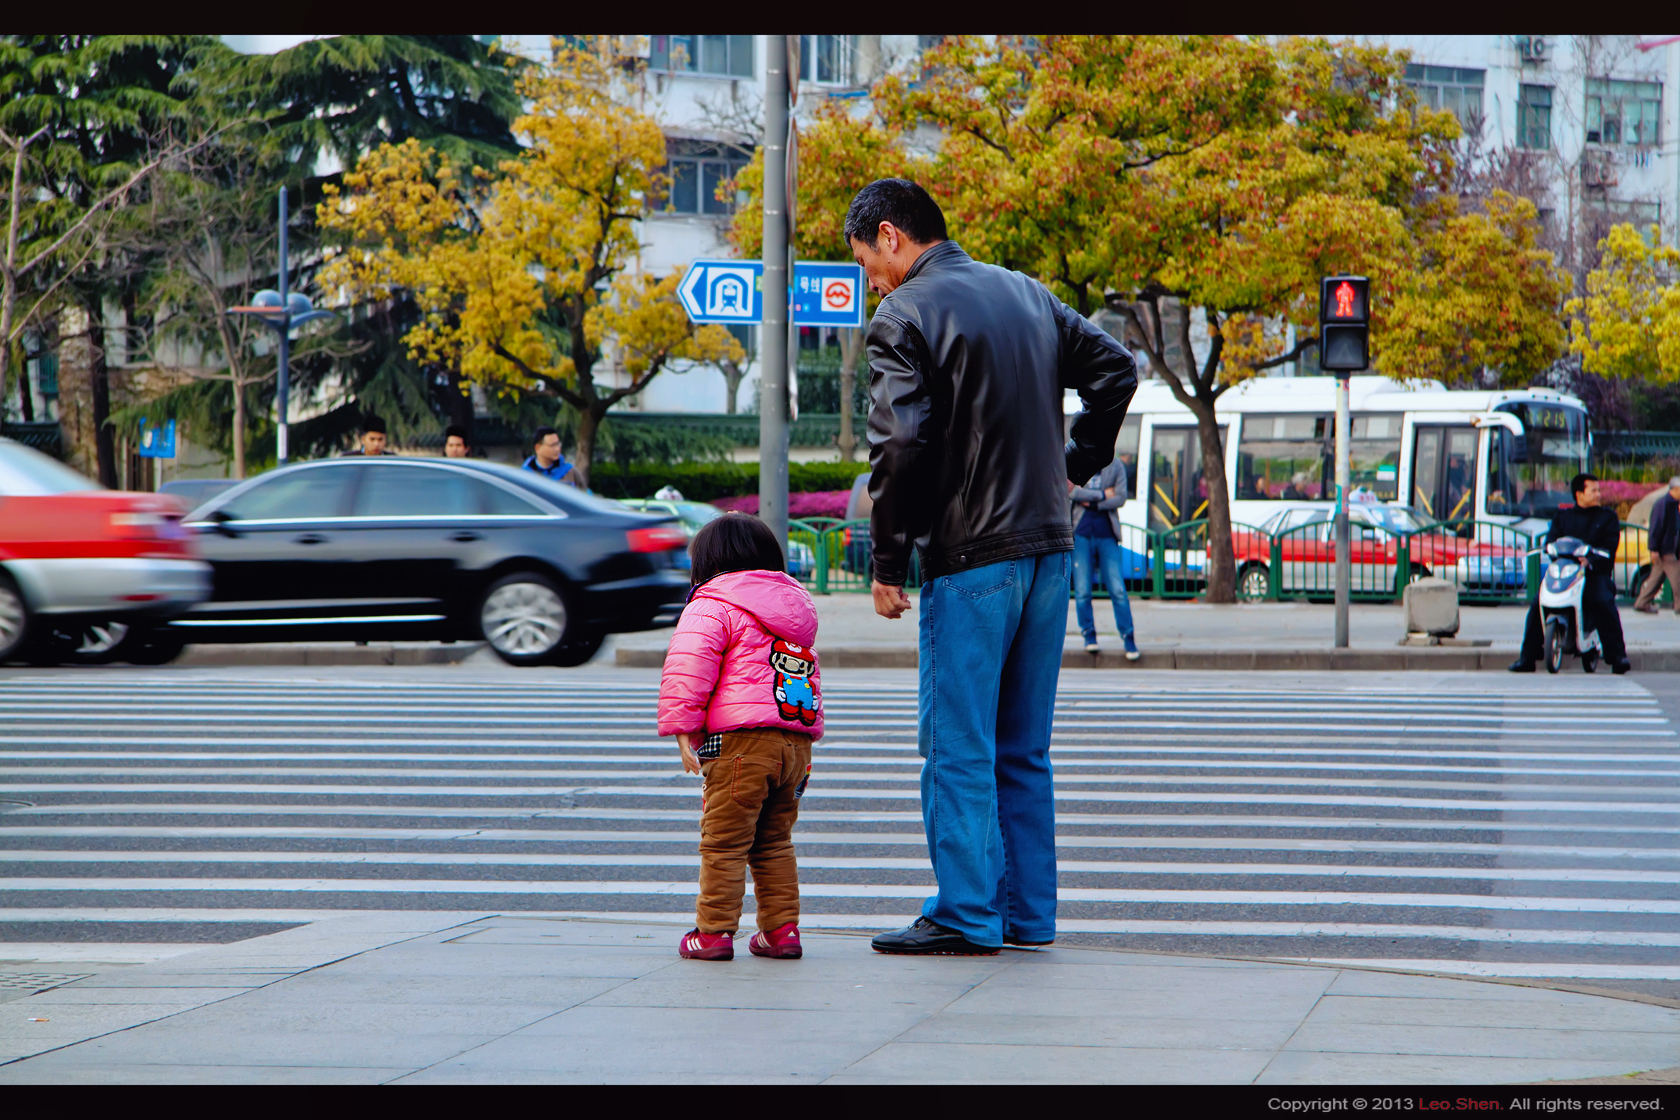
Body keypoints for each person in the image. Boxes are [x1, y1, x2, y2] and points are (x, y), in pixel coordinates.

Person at [848, 178, 1136, 956]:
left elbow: (899, 445)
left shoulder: (902, 313)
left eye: (869, 264)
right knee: (1024, 750)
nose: (872, 282)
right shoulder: (1027, 292)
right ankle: (1026, 916)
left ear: (890, 236)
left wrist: (887, 559)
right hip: (1048, 550)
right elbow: (1117, 370)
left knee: (957, 744)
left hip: (971, 556)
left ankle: (967, 912)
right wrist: (1074, 463)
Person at [656, 512, 822, 962]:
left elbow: (688, 669)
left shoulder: (711, 603)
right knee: (774, 841)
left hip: (739, 745)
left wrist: (683, 730)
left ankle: (712, 933)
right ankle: (781, 931)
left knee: (724, 842)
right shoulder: (795, 606)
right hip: (794, 747)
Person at [1510, 472, 1630, 674]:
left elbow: (1609, 548)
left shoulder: (1607, 518)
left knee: (1602, 600)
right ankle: (1527, 658)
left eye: (1598, 490)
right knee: (1538, 602)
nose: (1598, 494)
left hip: (1594, 573)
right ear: (1579, 494)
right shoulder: (1563, 517)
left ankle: (1617, 656)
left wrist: (1590, 561)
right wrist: (1550, 549)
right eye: (1594, 490)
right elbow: (1550, 541)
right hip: (1566, 572)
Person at [1069, 459, 1138, 659]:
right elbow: (1072, 492)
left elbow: (1121, 497)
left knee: (1117, 589)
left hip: (1107, 534)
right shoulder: (1079, 461)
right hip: (1081, 533)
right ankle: (1089, 636)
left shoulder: (1115, 466)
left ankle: (1128, 638)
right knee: (1082, 590)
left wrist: (1091, 502)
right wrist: (1101, 495)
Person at [1633, 476, 1680, 615]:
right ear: (1676, 489)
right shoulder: (1663, 504)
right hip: (1665, 549)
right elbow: (1656, 527)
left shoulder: (1672, 505)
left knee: (1656, 579)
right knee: (1677, 578)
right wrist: (1653, 548)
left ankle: (1641, 602)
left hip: (1668, 548)